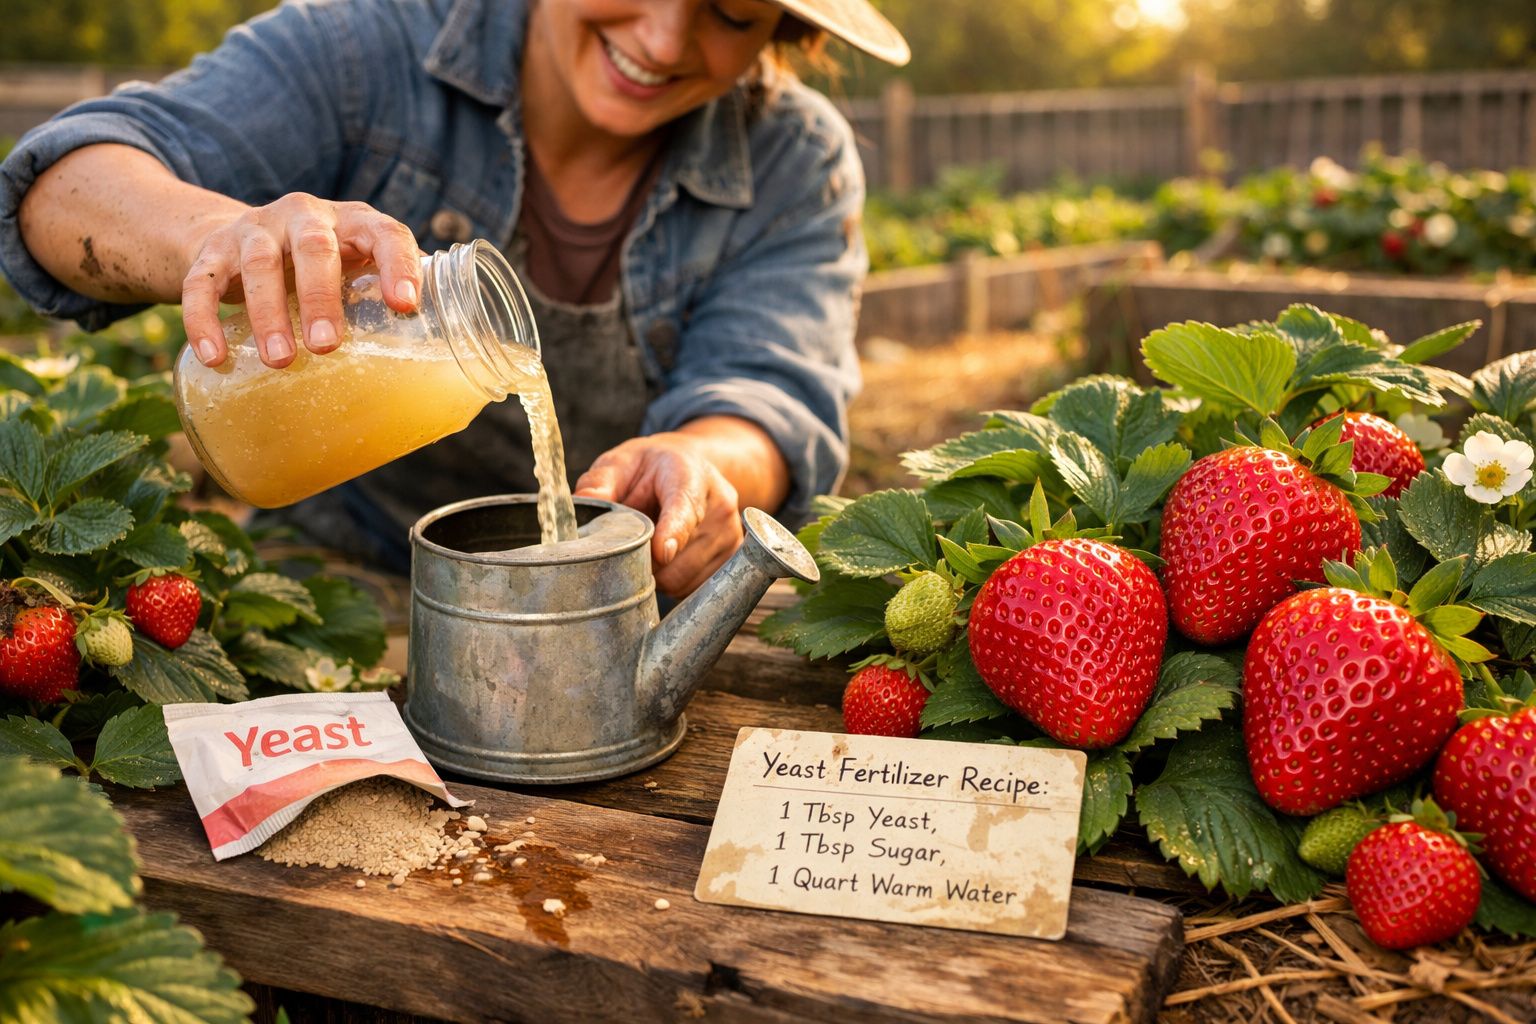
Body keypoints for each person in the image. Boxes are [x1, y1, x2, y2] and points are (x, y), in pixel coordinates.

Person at [0, 0, 909, 596]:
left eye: (731, 12)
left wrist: (703, 463)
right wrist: (212, 237)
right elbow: (58, 188)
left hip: (607, 603)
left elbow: (769, 391)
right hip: (336, 577)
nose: (665, 40)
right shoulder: (367, 54)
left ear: (780, 33)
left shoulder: (794, 155)